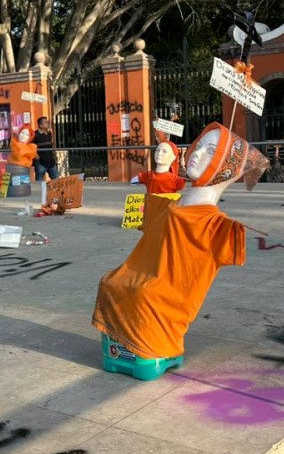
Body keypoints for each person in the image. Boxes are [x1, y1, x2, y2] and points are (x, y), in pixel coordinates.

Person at [92, 122, 269, 379]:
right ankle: (125, 352)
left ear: (226, 166)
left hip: (170, 287)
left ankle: (152, 351)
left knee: (146, 294)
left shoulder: (215, 225)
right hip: (146, 268)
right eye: (199, 146)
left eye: (211, 151)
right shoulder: (177, 203)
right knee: (113, 282)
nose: (196, 153)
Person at [32, 116, 60, 181]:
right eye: (45, 122)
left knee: (55, 179)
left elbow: (51, 145)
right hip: (40, 162)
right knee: (39, 181)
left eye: (47, 122)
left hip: (51, 161)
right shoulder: (35, 134)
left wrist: (54, 156)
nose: (48, 123)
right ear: (40, 125)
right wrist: (37, 157)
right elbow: (31, 147)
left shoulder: (49, 133)